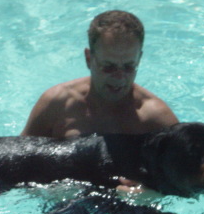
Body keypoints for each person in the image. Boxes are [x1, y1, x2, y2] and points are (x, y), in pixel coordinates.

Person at [21, 10, 179, 192]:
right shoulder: (57, 104)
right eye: (108, 67)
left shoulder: (155, 118)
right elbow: (18, 165)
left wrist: (151, 195)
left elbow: (185, 182)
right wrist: (45, 191)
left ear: (139, 59)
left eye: (129, 66)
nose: (119, 77)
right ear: (89, 59)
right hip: (61, 211)